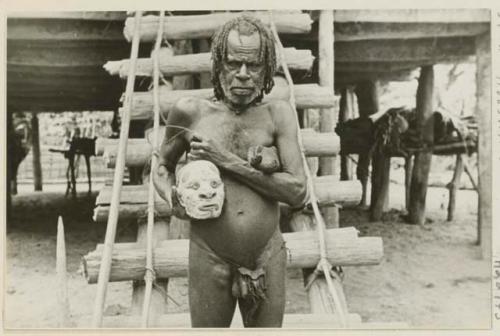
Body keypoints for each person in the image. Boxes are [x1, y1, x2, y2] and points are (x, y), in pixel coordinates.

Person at [154, 15, 307, 327]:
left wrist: (227, 161)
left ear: (267, 68)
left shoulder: (278, 114)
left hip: (267, 255)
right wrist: (174, 200)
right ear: (217, 64)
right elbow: (161, 167)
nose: (242, 75)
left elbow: (297, 191)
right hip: (209, 256)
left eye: (254, 66)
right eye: (233, 63)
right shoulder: (190, 112)